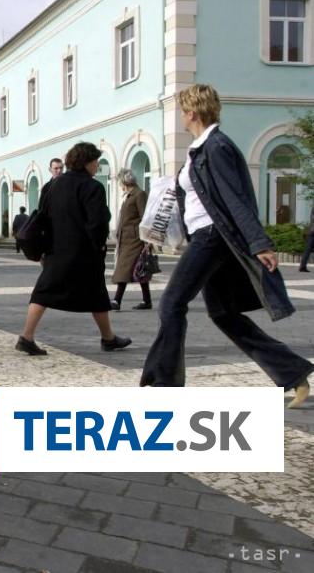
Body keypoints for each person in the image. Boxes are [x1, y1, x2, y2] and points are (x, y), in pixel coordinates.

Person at [139, 84, 310, 408]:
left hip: (212, 236)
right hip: (204, 235)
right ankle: (293, 372)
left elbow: (236, 197)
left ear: (192, 112)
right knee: (223, 313)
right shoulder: (200, 148)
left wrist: (259, 242)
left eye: (182, 110)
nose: (181, 116)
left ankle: (165, 384)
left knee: (172, 303)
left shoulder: (216, 146)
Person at [16, 142, 131, 356]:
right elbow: (97, 222)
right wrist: (99, 244)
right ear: (86, 162)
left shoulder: (52, 185)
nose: (97, 165)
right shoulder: (92, 187)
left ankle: (27, 337)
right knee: (96, 293)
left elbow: (43, 216)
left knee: (43, 293)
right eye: (95, 161)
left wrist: (44, 248)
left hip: (55, 249)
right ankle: (108, 339)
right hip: (84, 252)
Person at [111, 170, 152, 310]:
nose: (119, 185)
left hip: (135, 239)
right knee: (139, 269)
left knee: (124, 269)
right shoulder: (129, 195)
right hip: (126, 239)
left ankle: (116, 300)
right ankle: (147, 301)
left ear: (124, 182)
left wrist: (147, 240)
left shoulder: (139, 194)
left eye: (120, 182)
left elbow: (144, 217)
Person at [300, 206, 314, 272]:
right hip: (312, 232)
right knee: (307, 250)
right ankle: (302, 266)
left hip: (311, 231)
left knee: (307, 249)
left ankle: (302, 267)